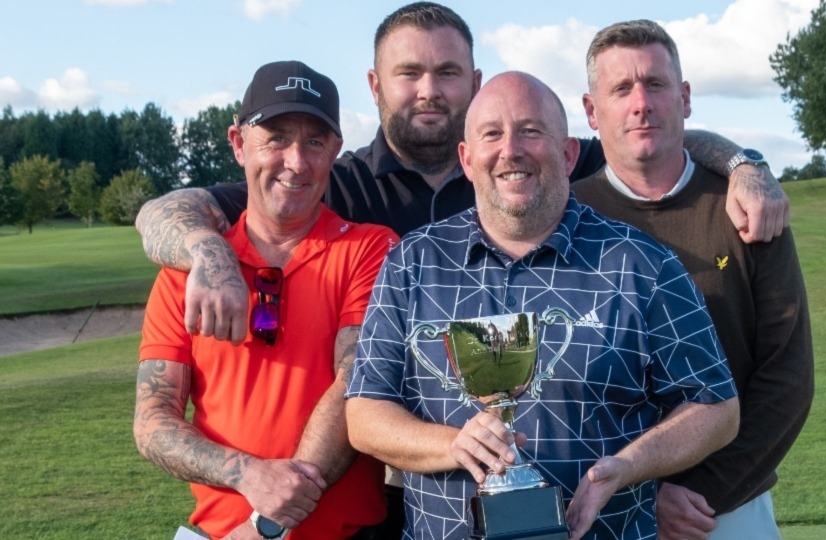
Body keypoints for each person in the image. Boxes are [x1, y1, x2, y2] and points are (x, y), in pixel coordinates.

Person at [134, 2, 789, 348]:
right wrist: (207, 248)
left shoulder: (528, 163)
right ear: (375, 85)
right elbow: (167, 210)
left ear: (474, 82)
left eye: (448, 74)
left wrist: (743, 163)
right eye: (408, 74)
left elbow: (643, 137)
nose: (429, 91)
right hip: (384, 471)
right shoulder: (333, 180)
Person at [343, 70, 741, 540]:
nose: (510, 150)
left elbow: (718, 409)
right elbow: (364, 414)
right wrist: (454, 444)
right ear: (467, 160)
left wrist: (629, 465)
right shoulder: (413, 262)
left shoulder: (641, 264)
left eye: (531, 131)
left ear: (569, 153)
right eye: (492, 134)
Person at [133, 60, 398, 540]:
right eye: (276, 138)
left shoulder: (369, 248)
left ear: (335, 150)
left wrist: (268, 524)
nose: (296, 162)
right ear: (238, 143)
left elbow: (355, 385)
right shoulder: (186, 275)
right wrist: (248, 474)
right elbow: (152, 422)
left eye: (315, 142)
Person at [571, 20, 814, 540]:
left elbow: (787, 377)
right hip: (602, 511)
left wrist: (701, 494)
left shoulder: (749, 208)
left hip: (724, 513)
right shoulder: (568, 217)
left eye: (655, 84)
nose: (641, 103)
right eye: (620, 89)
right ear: (593, 112)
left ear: (683, 98)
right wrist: (642, 496)